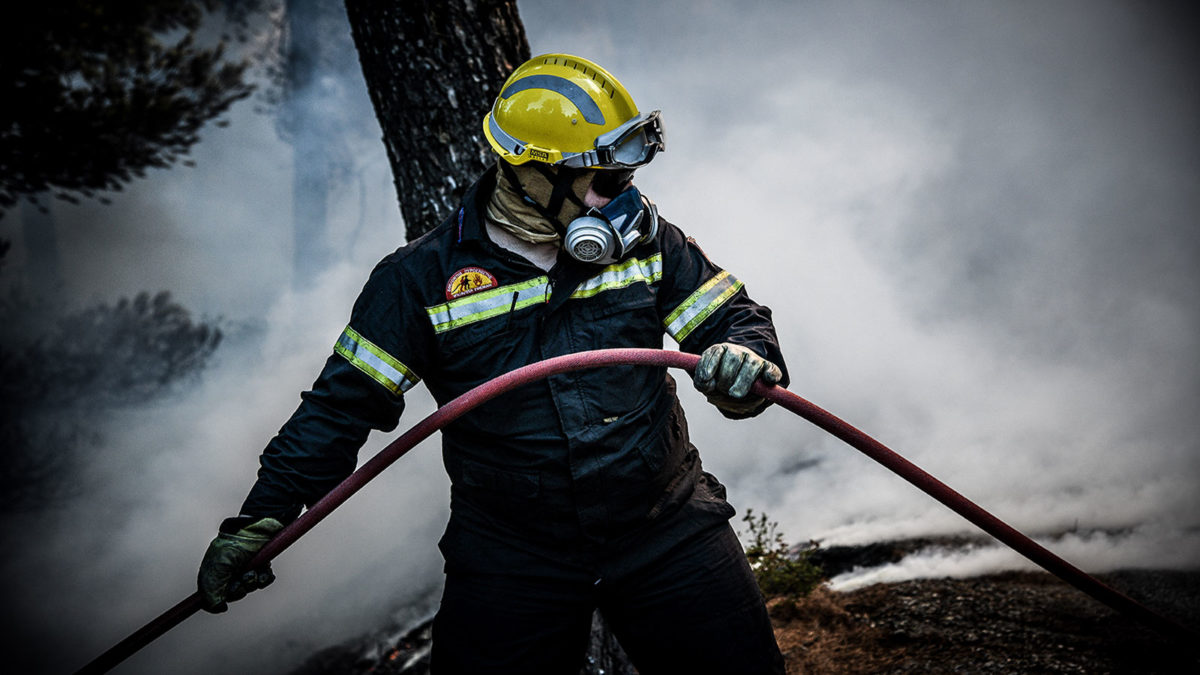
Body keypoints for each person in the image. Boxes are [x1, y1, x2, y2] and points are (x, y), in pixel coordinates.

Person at [198, 53, 789, 674]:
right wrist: (263, 515)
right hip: (513, 555)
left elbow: (734, 318)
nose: (624, 198)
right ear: (530, 174)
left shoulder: (647, 243)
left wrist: (745, 361)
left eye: (626, 178)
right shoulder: (416, 281)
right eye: (605, 182)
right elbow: (339, 410)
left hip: (666, 526)